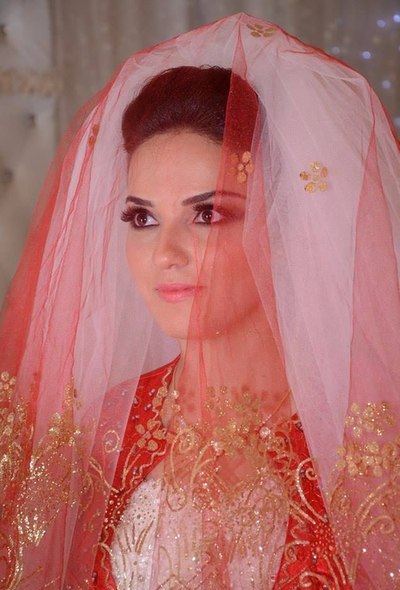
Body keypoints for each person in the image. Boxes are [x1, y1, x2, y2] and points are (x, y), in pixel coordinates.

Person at [0, 12, 399, 590]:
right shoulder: (96, 434)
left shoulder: (365, 441)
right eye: (142, 218)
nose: (166, 253)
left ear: (284, 228)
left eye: (207, 214)